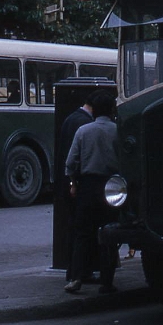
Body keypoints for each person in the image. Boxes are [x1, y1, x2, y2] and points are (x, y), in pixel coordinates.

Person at [64, 90, 119, 294]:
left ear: (94, 110)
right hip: (111, 188)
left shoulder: (83, 131)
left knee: (83, 234)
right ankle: (107, 282)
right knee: (109, 234)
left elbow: (70, 163)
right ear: (112, 110)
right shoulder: (118, 131)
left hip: (87, 186)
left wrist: (74, 183)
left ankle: (76, 277)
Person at [59, 92, 97, 284]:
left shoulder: (70, 118)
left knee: (74, 227)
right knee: (83, 230)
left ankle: (73, 270)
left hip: (68, 181)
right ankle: (80, 271)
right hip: (80, 183)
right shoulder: (85, 124)